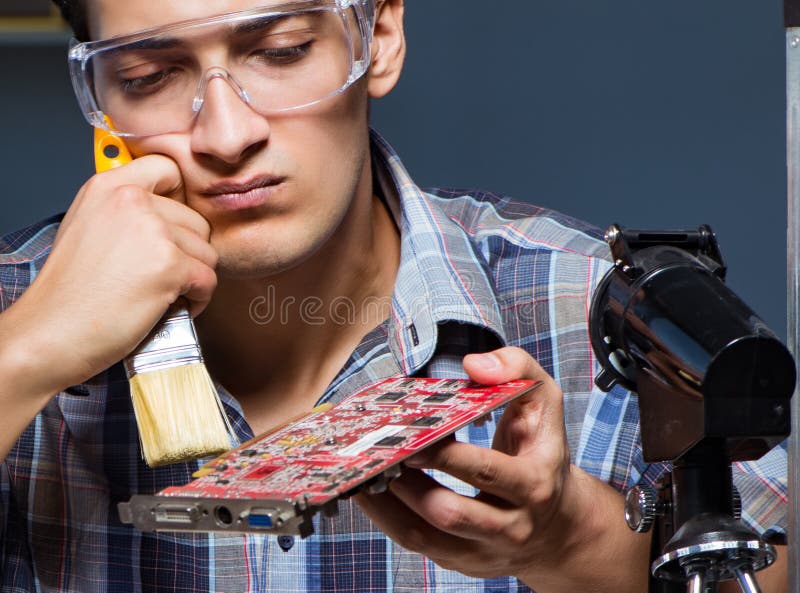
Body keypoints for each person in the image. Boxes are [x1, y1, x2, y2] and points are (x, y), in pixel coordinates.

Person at [0, 0, 787, 591]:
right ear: (100, 92)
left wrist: (565, 539)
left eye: (280, 51)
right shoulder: (13, 317)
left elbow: (765, 565)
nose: (227, 134)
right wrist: (28, 352)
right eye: (149, 76)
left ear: (377, 37)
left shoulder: (596, 303)